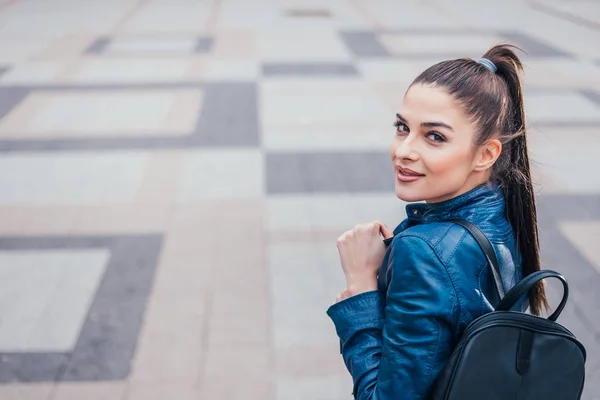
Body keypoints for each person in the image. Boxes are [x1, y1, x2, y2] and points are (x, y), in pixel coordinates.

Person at [326, 44, 549, 399]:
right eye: (402, 127)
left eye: (435, 136)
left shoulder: (423, 253)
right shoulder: (502, 213)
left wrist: (361, 288)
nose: (404, 151)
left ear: (486, 154)